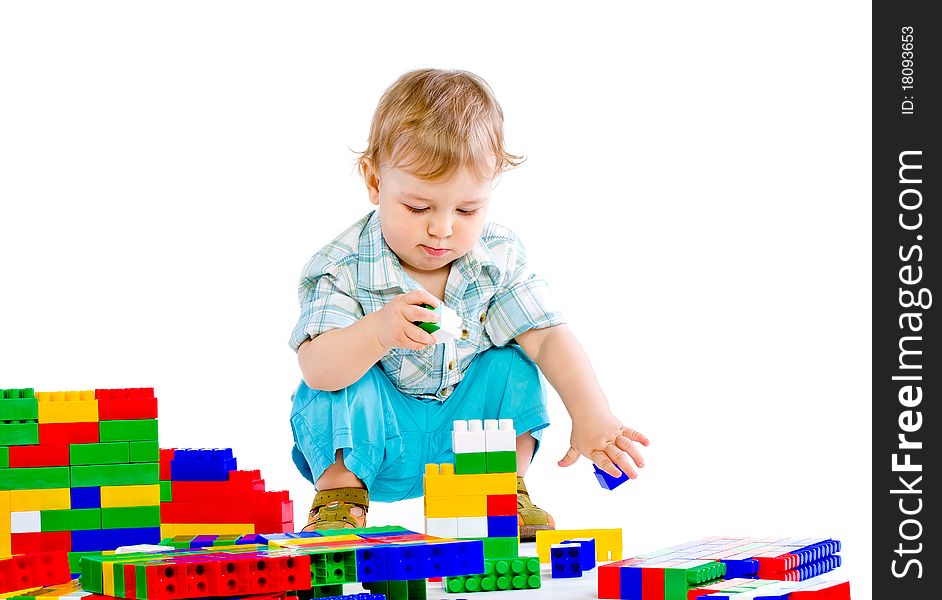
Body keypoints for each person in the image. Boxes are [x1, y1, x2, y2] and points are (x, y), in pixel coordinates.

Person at [289, 68, 649, 540]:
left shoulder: (496, 259)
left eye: (466, 210)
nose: (442, 229)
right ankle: (340, 497)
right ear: (374, 180)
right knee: (333, 375)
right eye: (418, 208)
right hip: (376, 444)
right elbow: (317, 369)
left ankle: (499, 489)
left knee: (512, 360)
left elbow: (549, 338)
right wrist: (375, 334)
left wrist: (592, 415)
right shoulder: (342, 265)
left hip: (467, 445)